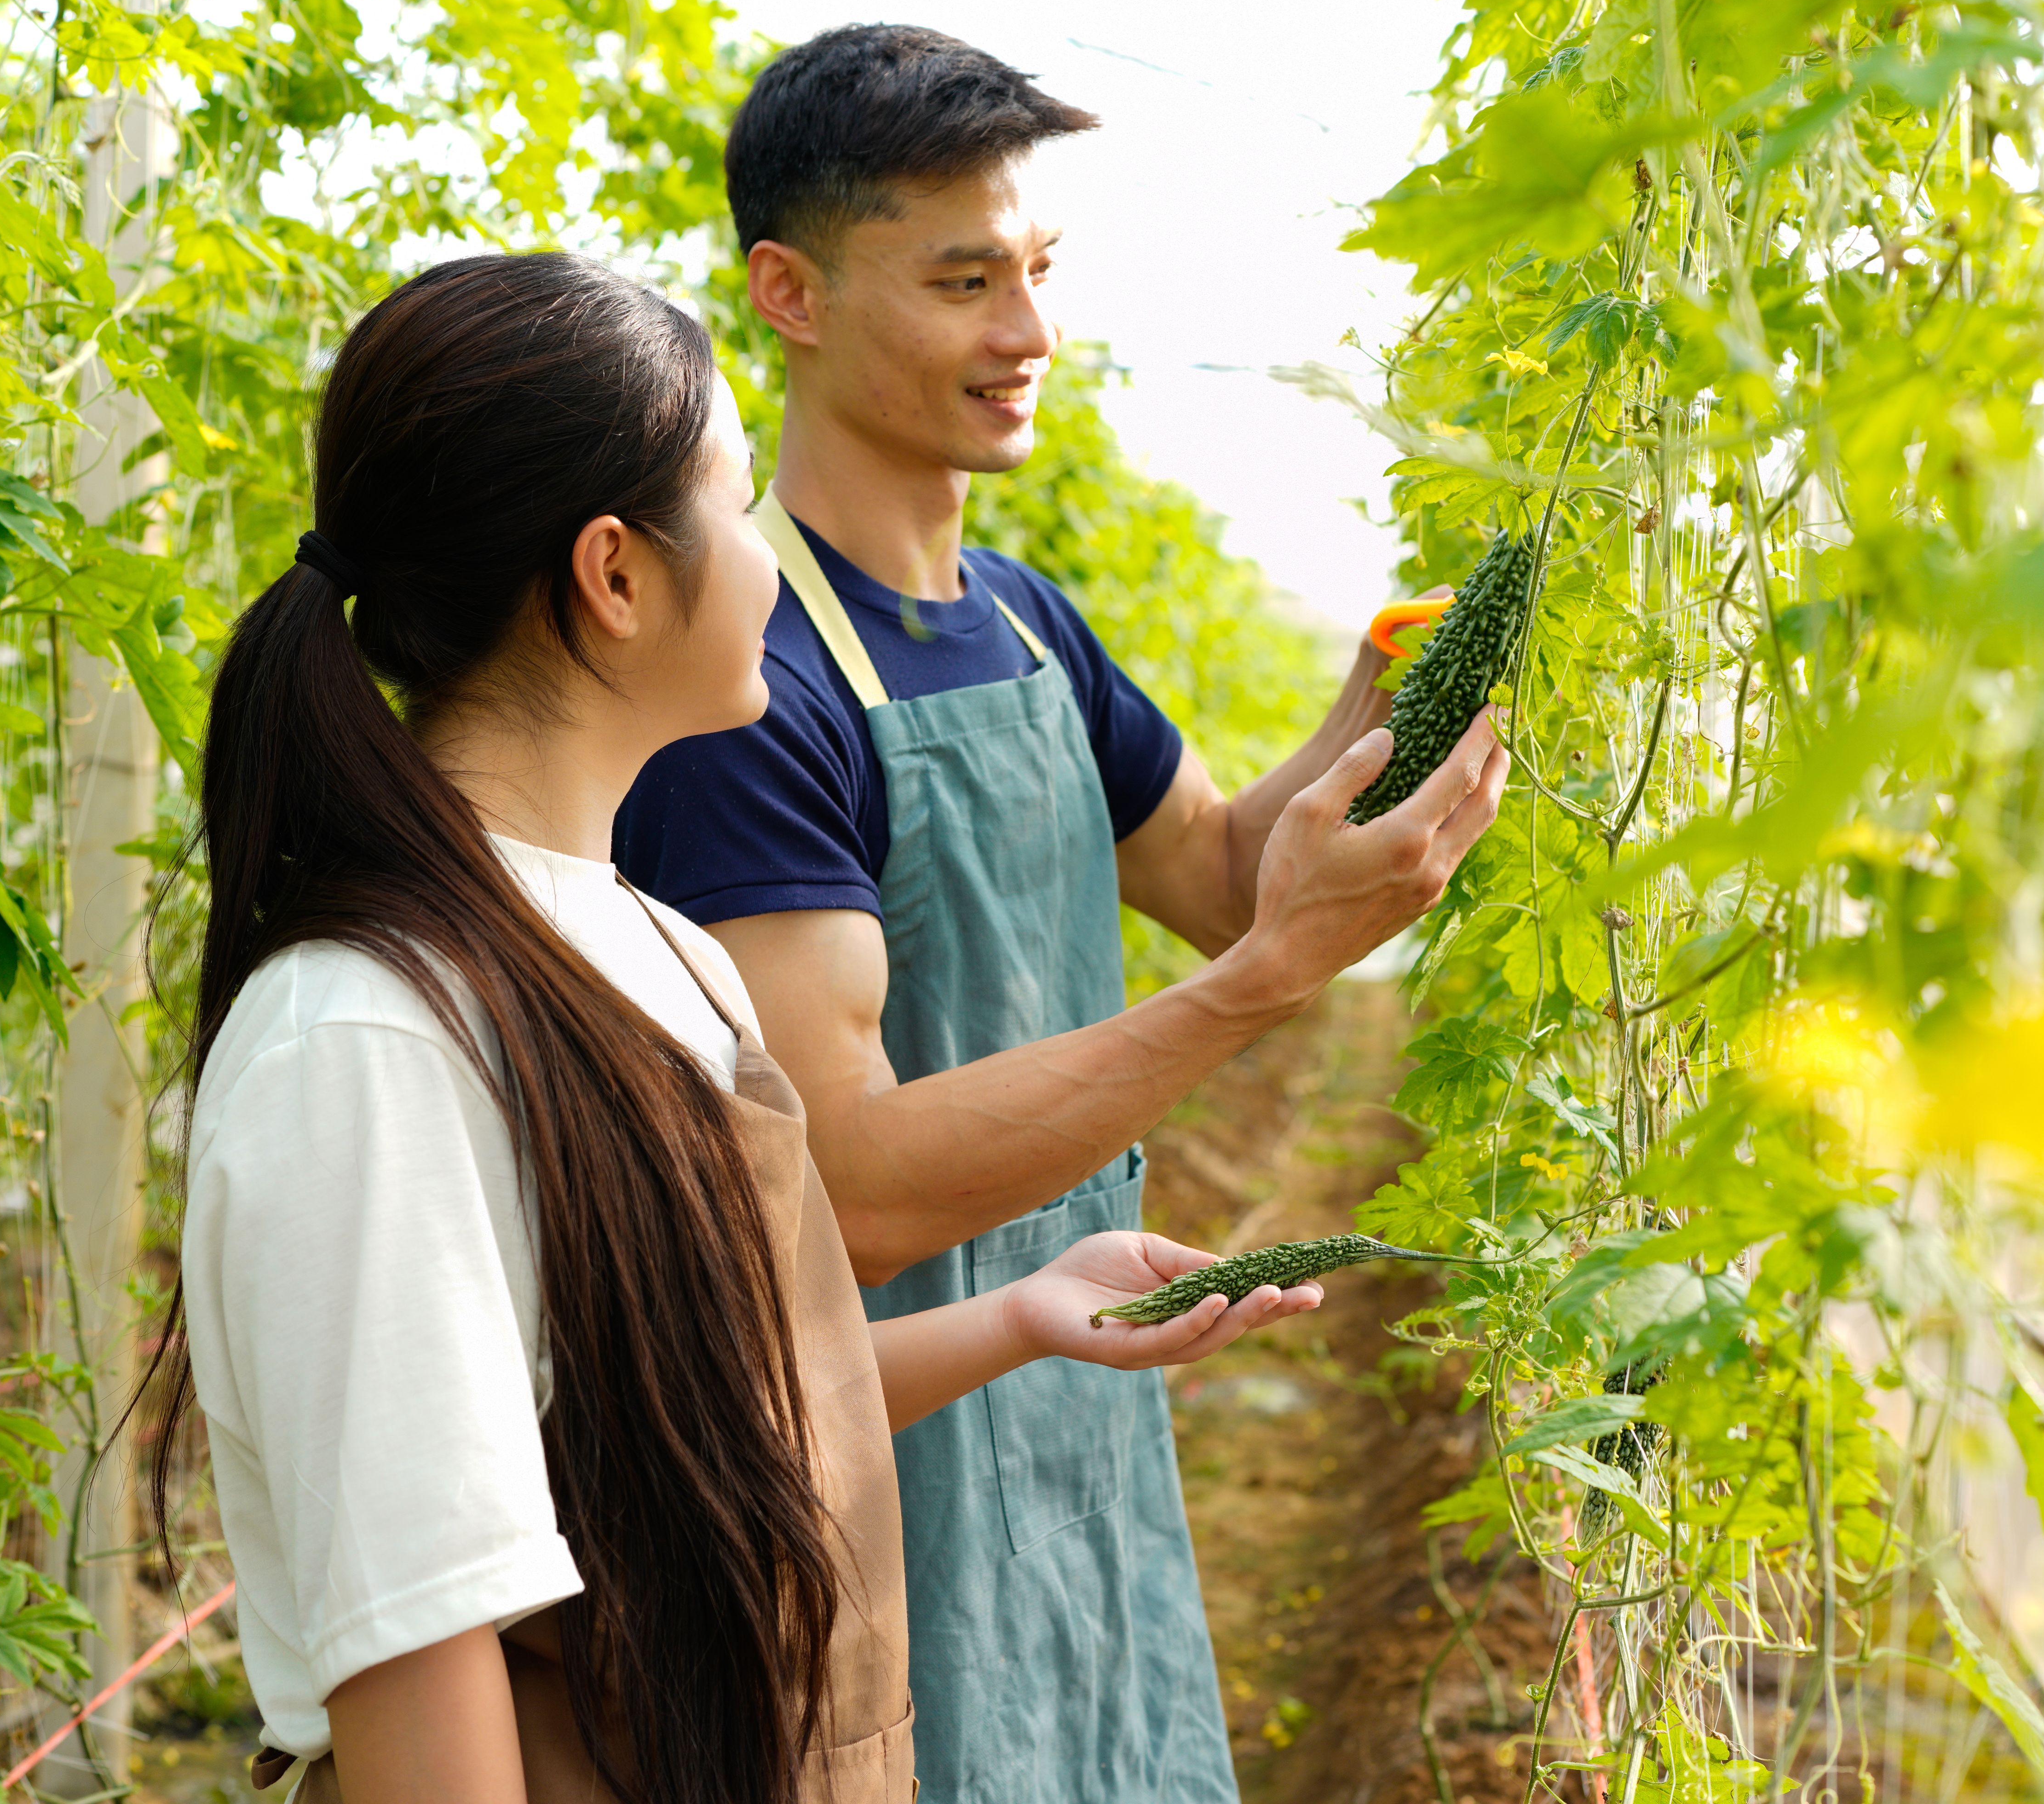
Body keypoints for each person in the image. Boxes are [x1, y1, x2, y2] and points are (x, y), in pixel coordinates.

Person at [145, 253, 1328, 1804]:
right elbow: (425, 1659)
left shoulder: (661, 951)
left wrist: (1024, 1315)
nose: (773, 558)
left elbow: (702, 1427)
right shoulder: (368, 1042)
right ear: (617, 577)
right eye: (735, 500)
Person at [613, 27, 1511, 1803]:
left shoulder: (1028, 622)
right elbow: (849, 1193)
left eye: (1038, 270)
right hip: (871, 1437)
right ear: (788, 294)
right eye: (964, 282)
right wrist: (1266, 985)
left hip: (1074, 1377)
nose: (1028, 331)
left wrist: (1386, 696)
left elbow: (1222, 875)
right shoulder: (752, 685)